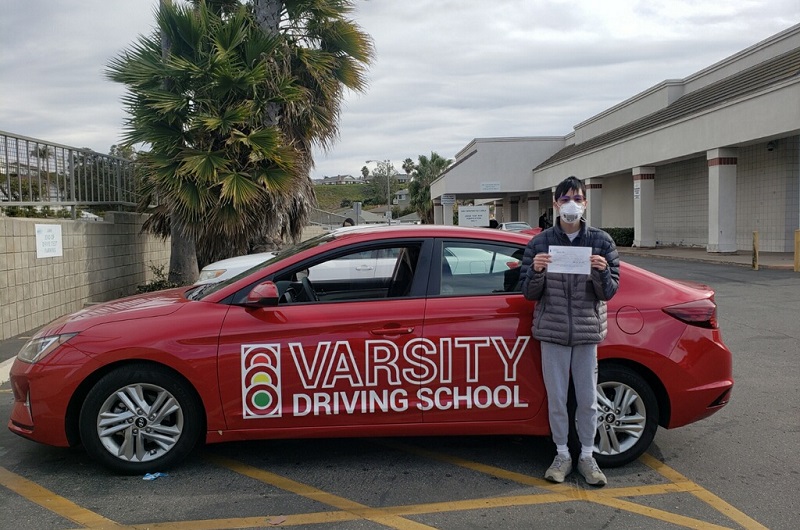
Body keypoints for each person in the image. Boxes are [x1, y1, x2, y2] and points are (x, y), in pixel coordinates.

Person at [520, 176, 620, 486]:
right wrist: (536, 271)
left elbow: (610, 292)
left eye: (576, 198)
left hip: (586, 332)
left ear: (585, 202)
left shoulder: (602, 241)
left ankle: (587, 456)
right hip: (552, 332)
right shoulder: (539, 243)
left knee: (589, 400)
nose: (571, 204)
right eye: (565, 199)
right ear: (556, 204)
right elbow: (528, 292)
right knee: (558, 398)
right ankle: (562, 454)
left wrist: (602, 272)